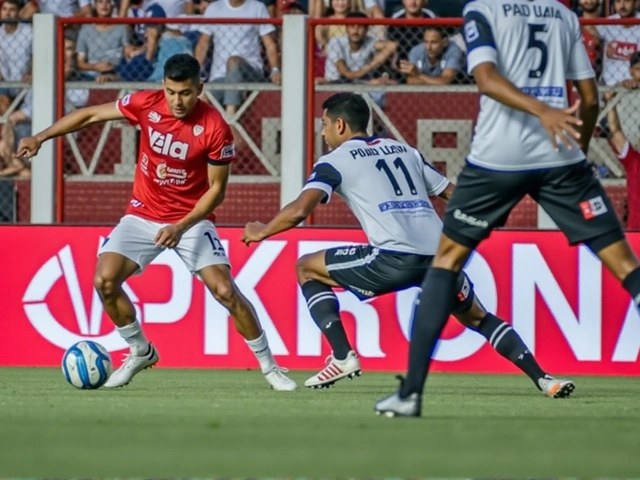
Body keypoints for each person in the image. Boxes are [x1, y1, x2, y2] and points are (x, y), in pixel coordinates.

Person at [374, 0, 640, 417]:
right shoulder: (564, 15)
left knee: (445, 263)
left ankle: (410, 395)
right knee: (627, 267)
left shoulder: (483, 10)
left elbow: (485, 79)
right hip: (561, 159)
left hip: (498, 159)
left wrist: (541, 110)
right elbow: (588, 99)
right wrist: (577, 151)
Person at [242, 92, 573, 397]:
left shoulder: (335, 160)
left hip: (394, 259)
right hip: (443, 258)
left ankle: (342, 356)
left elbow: (300, 210)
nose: (324, 133)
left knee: (306, 268)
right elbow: (450, 192)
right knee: (478, 318)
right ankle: (545, 379)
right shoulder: (405, 150)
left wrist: (263, 230)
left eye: (325, 125)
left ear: (340, 124)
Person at [17, 54, 297, 392]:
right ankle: (140, 350)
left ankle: (270, 367)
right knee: (104, 281)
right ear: (162, 87)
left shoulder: (215, 127)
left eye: (186, 93)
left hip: (191, 221)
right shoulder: (145, 103)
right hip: (142, 214)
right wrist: (41, 137)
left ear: (200, 89)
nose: (177, 101)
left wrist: (180, 227)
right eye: (171, 92)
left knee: (225, 291)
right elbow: (90, 114)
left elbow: (217, 191)